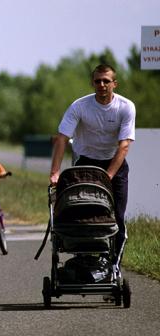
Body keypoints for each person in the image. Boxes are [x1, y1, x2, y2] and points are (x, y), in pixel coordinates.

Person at [49, 64, 135, 270]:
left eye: (106, 81)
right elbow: (62, 139)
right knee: (81, 211)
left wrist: (109, 175)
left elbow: (124, 145)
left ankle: (113, 264)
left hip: (114, 163)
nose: (102, 85)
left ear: (115, 83)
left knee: (117, 216)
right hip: (86, 163)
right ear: (92, 83)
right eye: (98, 81)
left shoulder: (125, 106)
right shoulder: (80, 106)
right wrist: (55, 173)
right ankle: (84, 257)